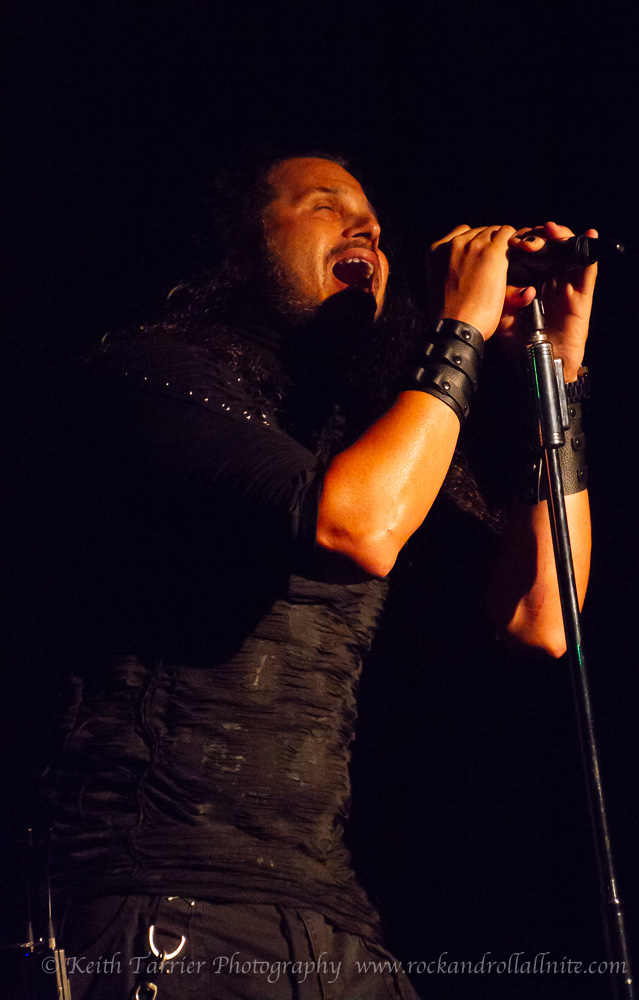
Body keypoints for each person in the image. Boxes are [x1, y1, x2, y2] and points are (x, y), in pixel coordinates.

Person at [40, 151, 595, 999]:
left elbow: (542, 618)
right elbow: (354, 527)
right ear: (240, 242)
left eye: (372, 219)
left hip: (325, 917)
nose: (366, 226)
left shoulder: (362, 434)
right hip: (155, 895)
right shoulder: (151, 374)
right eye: (325, 206)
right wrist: (460, 328)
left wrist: (551, 377)